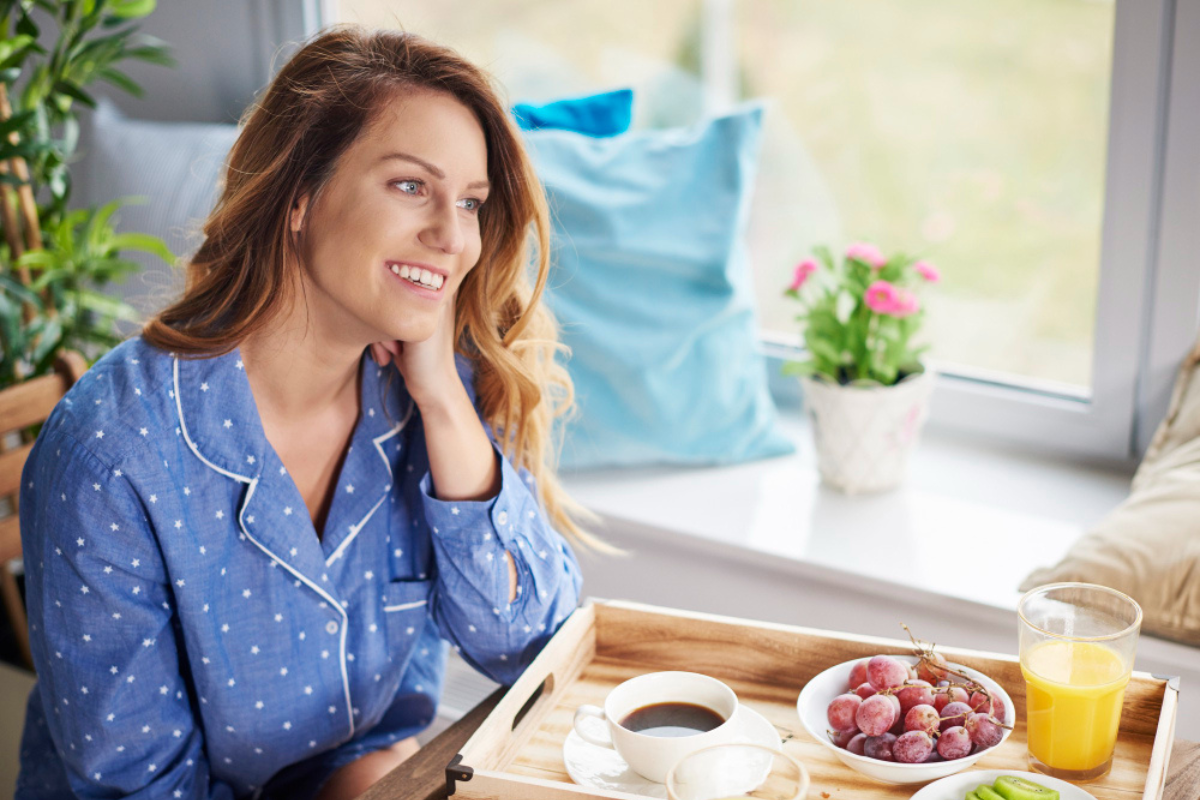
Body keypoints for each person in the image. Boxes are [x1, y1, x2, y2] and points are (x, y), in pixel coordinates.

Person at [15, 26, 597, 800]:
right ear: (298, 195)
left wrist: (445, 405)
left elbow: (538, 648)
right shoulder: (115, 450)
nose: (453, 236)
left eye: (471, 202)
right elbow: (139, 788)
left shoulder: (428, 393)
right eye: (410, 186)